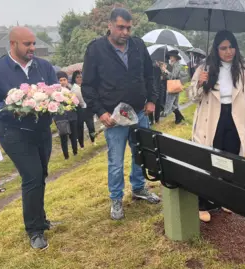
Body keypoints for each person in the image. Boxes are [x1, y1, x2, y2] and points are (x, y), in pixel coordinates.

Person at [0, 26, 58, 250]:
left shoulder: (44, 67)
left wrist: (59, 103)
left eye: (34, 43)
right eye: (27, 44)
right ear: (13, 44)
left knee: (41, 174)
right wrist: (11, 108)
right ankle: (34, 231)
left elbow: (55, 92)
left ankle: (41, 218)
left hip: (41, 131)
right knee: (32, 176)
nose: (33, 48)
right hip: (13, 133)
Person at [189, 30, 245, 223]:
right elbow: (192, 97)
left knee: (231, 158)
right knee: (209, 158)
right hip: (212, 117)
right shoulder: (205, 67)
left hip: (234, 118)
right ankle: (202, 203)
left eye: (231, 47)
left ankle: (225, 198)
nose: (228, 51)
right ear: (216, 49)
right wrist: (200, 83)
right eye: (223, 48)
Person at [82, 8, 161, 221]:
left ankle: (138, 188)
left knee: (141, 154)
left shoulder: (138, 46)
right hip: (114, 118)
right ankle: (116, 198)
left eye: (128, 27)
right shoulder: (96, 49)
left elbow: (149, 74)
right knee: (115, 161)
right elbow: (88, 86)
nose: (125, 32)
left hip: (139, 112)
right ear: (109, 25)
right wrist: (101, 112)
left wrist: (152, 99)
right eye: (120, 27)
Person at [54, 71, 78, 160]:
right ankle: (66, 156)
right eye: (60, 80)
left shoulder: (72, 89)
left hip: (72, 115)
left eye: (64, 79)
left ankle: (75, 152)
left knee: (74, 135)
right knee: (63, 136)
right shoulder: (55, 92)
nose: (63, 82)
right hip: (61, 117)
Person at [161, 50, 188, 124]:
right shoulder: (174, 64)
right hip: (175, 85)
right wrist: (164, 70)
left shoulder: (177, 65)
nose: (170, 58)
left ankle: (179, 116)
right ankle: (178, 118)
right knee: (175, 104)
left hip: (174, 85)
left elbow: (173, 76)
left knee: (169, 103)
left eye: (171, 56)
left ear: (175, 58)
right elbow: (170, 76)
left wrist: (166, 70)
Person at [71, 70, 96, 147]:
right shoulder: (73, 88)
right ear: (74, 78)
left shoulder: (85, 86)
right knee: (80, 128)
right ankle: (81, 145)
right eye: (77, 77)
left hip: (88, 109)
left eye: (81, 77)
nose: (79, 79)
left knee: (91, 126)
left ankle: (93, 140)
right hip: (79, 110)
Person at [148, 60, 164, 125]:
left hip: (151, 88)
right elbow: (161, 78)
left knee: (150, 103)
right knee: (157, 105)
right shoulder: (157, 68)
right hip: (158, 88)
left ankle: (151, 121)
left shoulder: (148, 67)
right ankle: (157, 121)